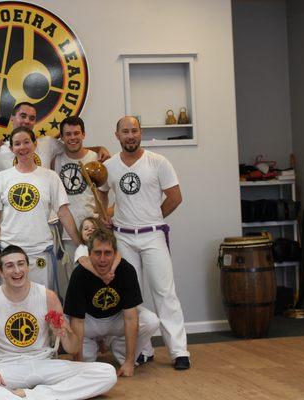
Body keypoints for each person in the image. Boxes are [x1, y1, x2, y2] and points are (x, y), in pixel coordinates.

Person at [0, 245, 116, 399]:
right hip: (8, 367)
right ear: (1, 272)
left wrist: (64, 333)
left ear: (28, 267)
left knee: (107, 372)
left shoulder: (48, 296)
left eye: (21, 264)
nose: (17, 270)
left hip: (45, 363)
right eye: (10, 266)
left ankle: (31, 396)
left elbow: (73, 349)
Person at [102, 115, 190, 370]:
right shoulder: (109, 166)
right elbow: (101, 196)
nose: (130, 136)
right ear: (116, 135)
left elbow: (175, 197)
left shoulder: (158, 162)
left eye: (134, 131)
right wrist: (108, 216)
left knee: (165, 293)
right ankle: (142, 350)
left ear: (141, 133)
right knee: (131, 296)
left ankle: (179, 351)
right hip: (123, 237)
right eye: (125, 131)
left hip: (152, 234)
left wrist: (152, 216)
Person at [0, 127, 81, 290]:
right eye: (17, 144)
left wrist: (80, 244)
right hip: (9, 250)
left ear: (35, 144)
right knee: (11, 305)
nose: (22, 147)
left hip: (40, 251)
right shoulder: (1, 178)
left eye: (26, 142)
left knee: (42, 303)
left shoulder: (50, 177)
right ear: (11, 149)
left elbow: (63, 212)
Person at [64, 228, 160, 377]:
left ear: (115, 254)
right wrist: (79, 364)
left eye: (107, 253)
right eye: (97, 253)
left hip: (116, 318)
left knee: (150, 320)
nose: (102, 259)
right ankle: (91, 349)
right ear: (89, 254)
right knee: (85, 364)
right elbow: (77, 322)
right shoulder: (79, 274)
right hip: (89, 322)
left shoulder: (126, 270)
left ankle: (122, 353)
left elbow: (131, 317)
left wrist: (129, 362)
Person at [0, 102, 110, 181]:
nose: (27, 121)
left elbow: (73, 148)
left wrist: (98, 149)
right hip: (14, 220)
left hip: (46, 219)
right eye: (23, 116)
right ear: (12, 118)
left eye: (31, 118)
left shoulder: (48, 143)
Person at [52, 116, 109, 292]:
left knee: (98, 282)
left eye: (76, 133)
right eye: (68, 134)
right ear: (62, 137)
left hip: (94, 232)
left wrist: (103, 224)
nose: (72, 137)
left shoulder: (96, 160)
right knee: (74, 283)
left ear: (83, 134)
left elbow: (103, 195)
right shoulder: (56, 161)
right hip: (69, 234)